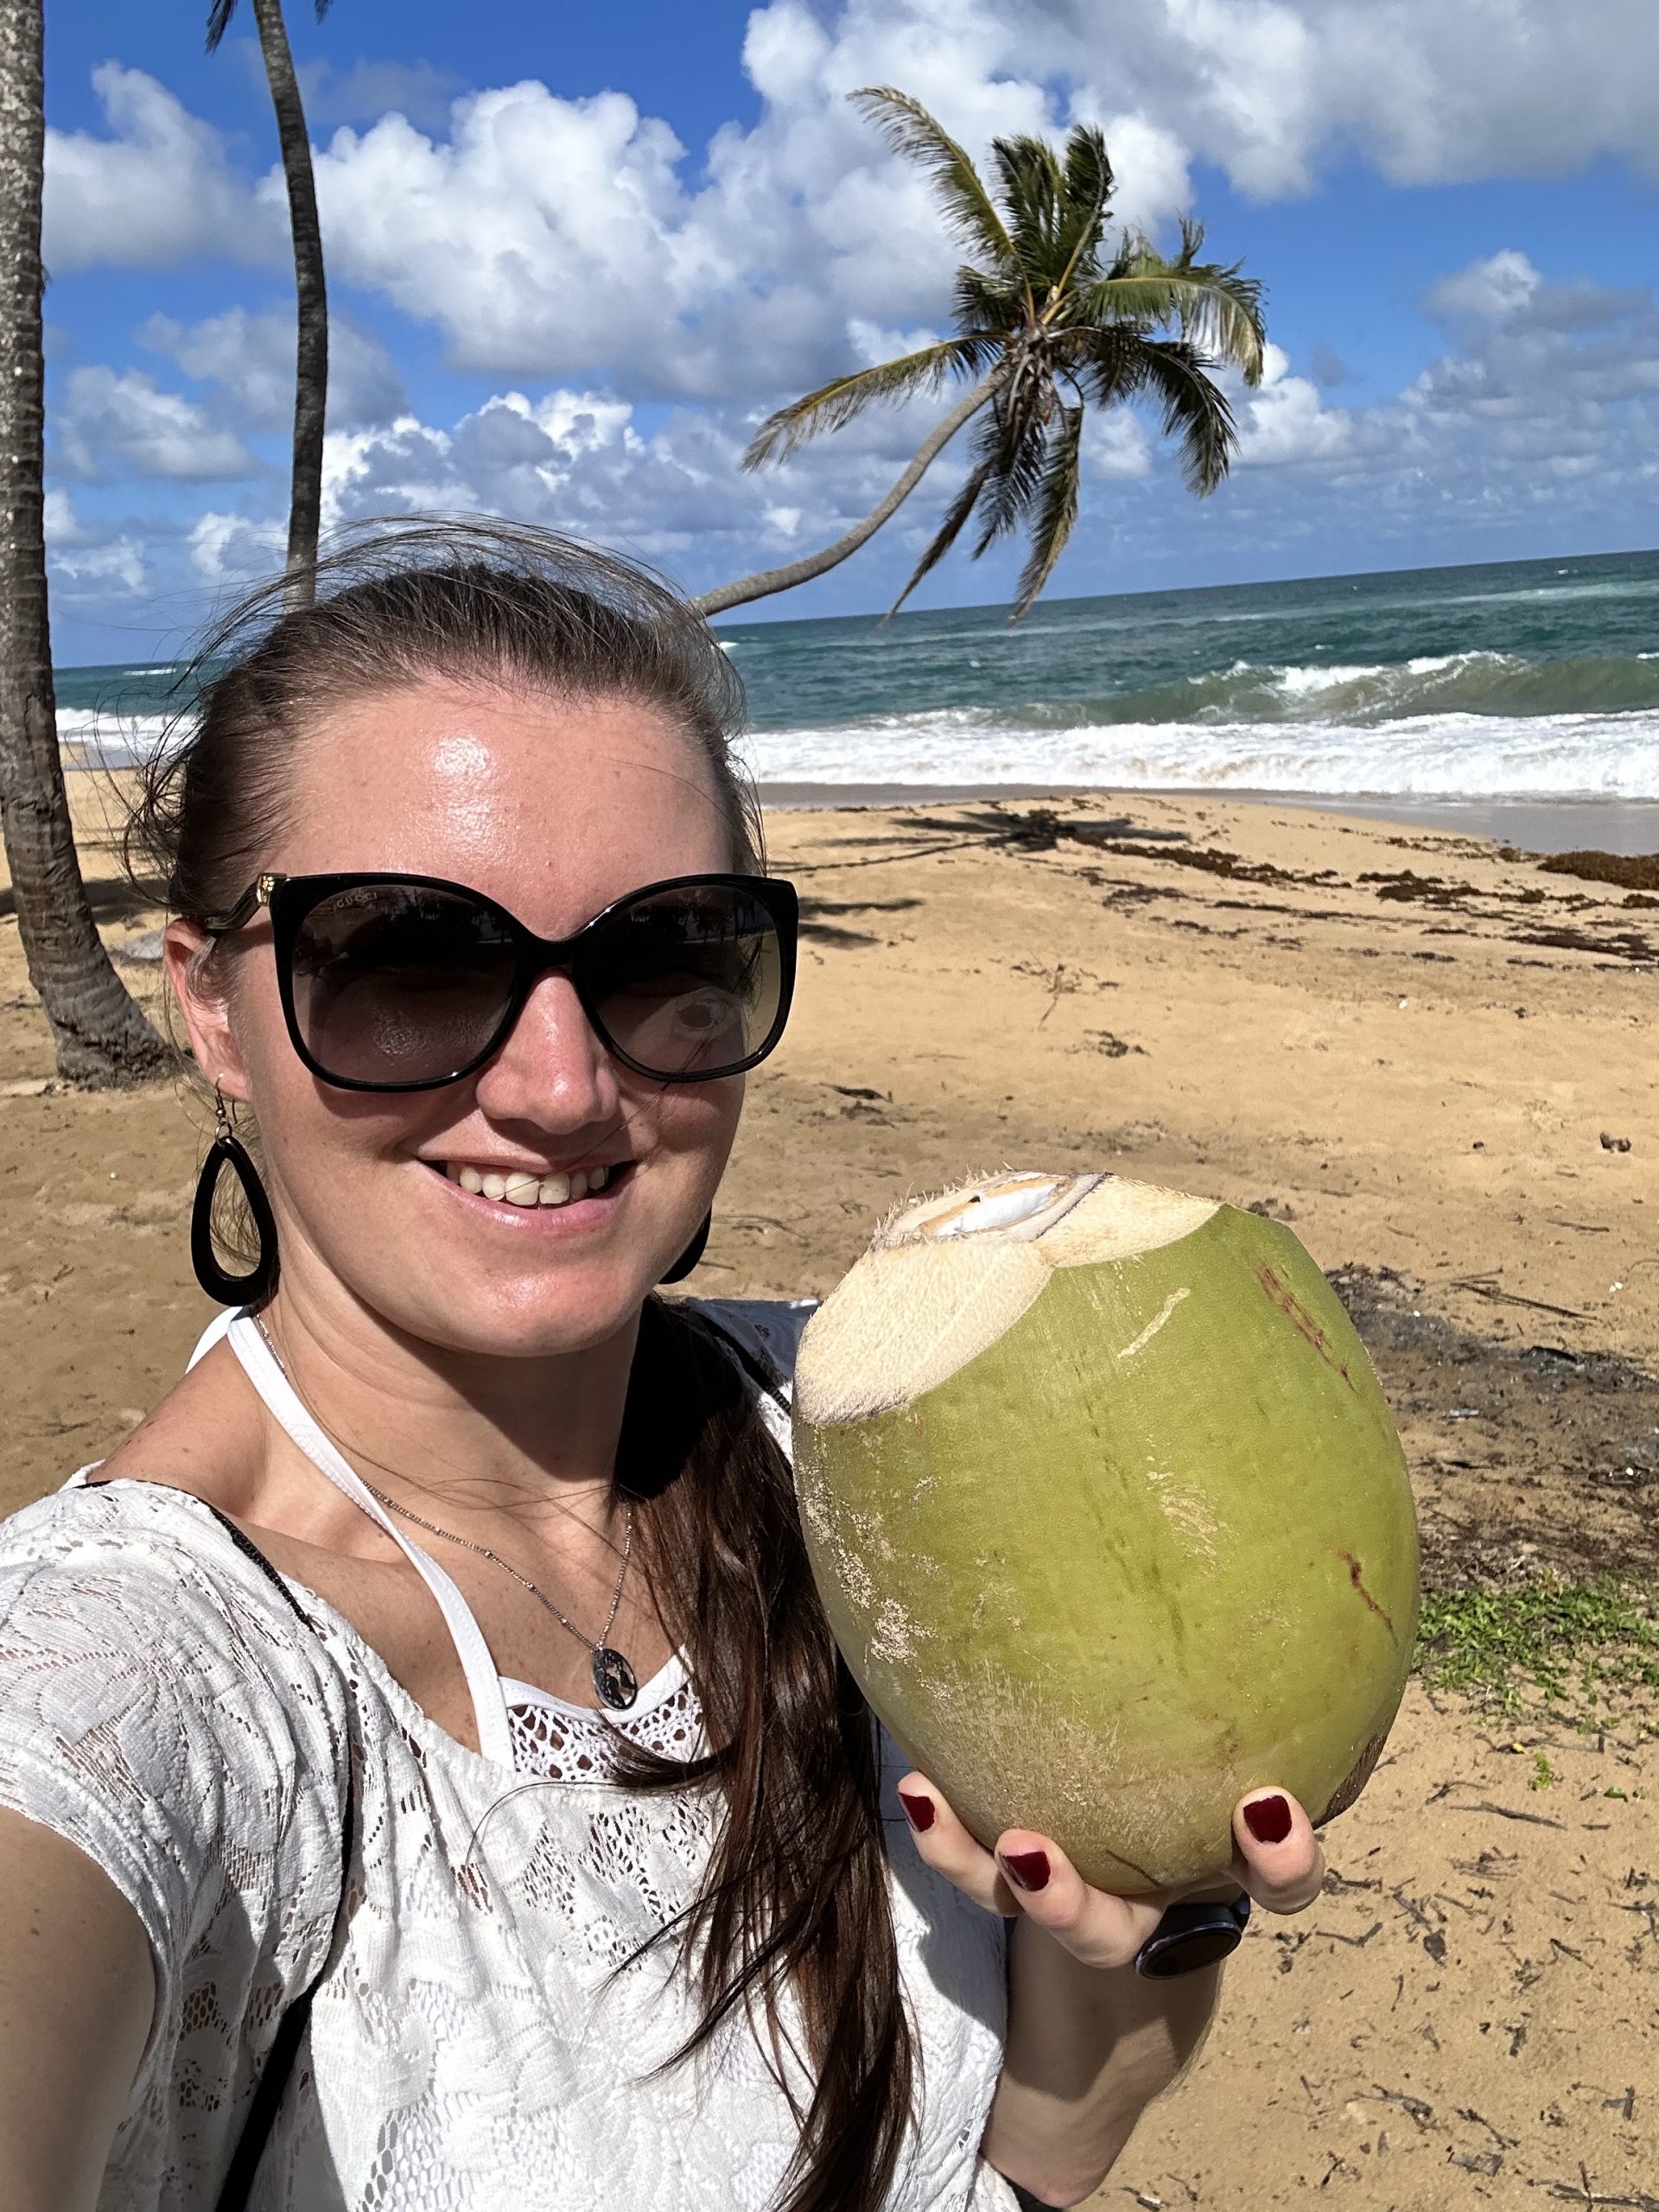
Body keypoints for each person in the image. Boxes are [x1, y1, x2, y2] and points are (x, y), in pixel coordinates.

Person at [0, 521, 1324, 2212]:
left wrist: (1142, 1935)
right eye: (409, 960)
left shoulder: (870, 1438)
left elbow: (1034, 2159)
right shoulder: (130, 1667)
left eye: (667, 955)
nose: (560, 1086)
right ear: (211, 1006)